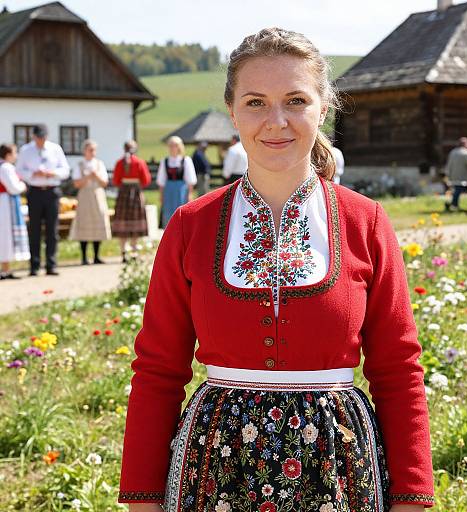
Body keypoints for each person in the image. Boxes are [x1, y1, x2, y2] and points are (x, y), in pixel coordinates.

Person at [118, 27, 434, 512]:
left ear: (323, 108)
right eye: (256, 102)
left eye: (295, 100)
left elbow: (398, 368)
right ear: (232, 112)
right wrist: (141, 497)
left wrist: (411, 495)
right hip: (214, 467)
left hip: (338, 466)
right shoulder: (191, 224)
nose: (277, 121)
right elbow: (158, 369)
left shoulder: (364, 221)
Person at [16, 124, 70, 276]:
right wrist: (33, 174)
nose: (40, 140)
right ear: (33, 137)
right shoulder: (26, 150)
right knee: (34, 229)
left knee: (52, 230)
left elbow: (65, 170)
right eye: (38, 137)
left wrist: (52, 173)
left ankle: (51, 264)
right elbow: (19, 170)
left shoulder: (55, 149)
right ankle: (34, 265)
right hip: (35, 192)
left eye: (43, 137)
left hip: (51, 192)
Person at [68, 139, 111, 265]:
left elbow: (104, 183)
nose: (92, 152)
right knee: (84, 222)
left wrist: (95, 175)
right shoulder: (80, 165)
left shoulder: (99, 164)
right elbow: (76, 184)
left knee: (98, 221)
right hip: (84, 196)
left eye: (94, 150)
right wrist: (87, 177)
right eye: (90, 150)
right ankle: (84, 256)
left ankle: (97, 255)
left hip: (97, 195)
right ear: (85, 151)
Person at [111, 140, 151, 262]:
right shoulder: (139, 162)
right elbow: (146, 180)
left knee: (122, 221)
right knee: (136, 222)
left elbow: (116, 181)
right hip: (136, 193)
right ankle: (134, 251)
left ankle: (123, 251)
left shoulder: (119, 163)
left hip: (123, 193)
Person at [0, 144, 30, 279]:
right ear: (8, 154)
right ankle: (4, 269)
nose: (16, 156)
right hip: (5, 204)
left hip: (7, 203)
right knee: (5, 235)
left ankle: (5, 268)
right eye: (15, 153)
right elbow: (13, 187)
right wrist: (22, 186)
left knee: (6, 237)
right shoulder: (5, 167)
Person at [157, 136, 197, 228]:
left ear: (179, 146)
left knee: (180, 213)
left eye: (174, 145)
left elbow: (190, 180)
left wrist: (190, 194)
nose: (172, 147)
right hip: (168, 191)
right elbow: (161, 180)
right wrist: (161, 194)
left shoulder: (186, 160)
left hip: (181, 190)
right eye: (170, 145)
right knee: (168, 213)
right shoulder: (165, 161)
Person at [444, 137, 467, 211]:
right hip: (464, 177)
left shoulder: (453, 152)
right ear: (466, 144)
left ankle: (452, 205)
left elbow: (449, 164)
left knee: (455, 191)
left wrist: (448, 174)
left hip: (454, 176)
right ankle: (454, 205)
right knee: (458, 191)